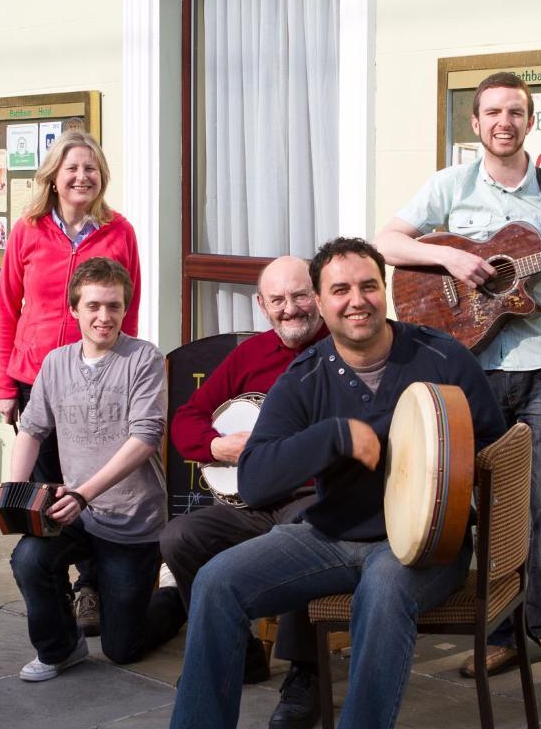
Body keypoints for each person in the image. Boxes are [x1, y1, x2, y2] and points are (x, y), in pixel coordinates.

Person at [168, 238, 506, 729]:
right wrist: (333, 436)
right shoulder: (306, 376)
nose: (357, 300)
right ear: (323, 303)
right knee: (218, 582)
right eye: (341, 289)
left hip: (423, 545)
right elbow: (258, 480)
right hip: (328, 535)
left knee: (384, 590)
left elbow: (494, 446)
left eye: (368, 286)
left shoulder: (443, 358)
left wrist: (449, 484)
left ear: (384, 291)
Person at [375, 71, 541, 675]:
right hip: (469, 367)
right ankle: (497, 631)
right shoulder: (451, 185)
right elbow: (387, 243)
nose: (505, 122)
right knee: (475, 503)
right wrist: (448, 254)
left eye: (516, 112)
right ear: (476, 125)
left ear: (530, 122)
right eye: (493, 112)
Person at [0, 258, 184, 681]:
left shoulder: (143, 359)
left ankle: (176, 596)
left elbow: (145, 437)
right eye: (93, 306)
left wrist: (81, 494)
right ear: (74, 309)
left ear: (125, 309)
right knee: (29, 558)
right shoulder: (55, 363)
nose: (104, 316)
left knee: (122, 649)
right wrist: (10, 493)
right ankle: (60, 649)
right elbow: (33, 430)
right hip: (77, 514)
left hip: (133, 521)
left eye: (113, 306)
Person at [161, 255, 328, 729]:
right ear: (262, 305)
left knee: (304, 528)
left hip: (310, 496)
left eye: (299, 296)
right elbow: (187, 418)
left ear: (317, 295)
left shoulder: (341, 349)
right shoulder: (250, 356)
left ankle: (306, 674)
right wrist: (217, 445)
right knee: (180, 538)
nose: (290, 309)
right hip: (252, 500)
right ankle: (239, 652)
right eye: (278, 300)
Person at [0, 129, 142, 636]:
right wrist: (5, 384)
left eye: (91, 169)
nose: (82, 177)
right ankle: (52, 593)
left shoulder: (119, 231)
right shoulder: (29, 230)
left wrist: (125, 375)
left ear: (102, 178)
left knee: (94, 485)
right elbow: (6, 308)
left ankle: (91, 588)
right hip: (37, 380)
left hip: (99, 380)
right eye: (72, 167)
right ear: (54, 176)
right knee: (43, 494)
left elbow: (131, 307)